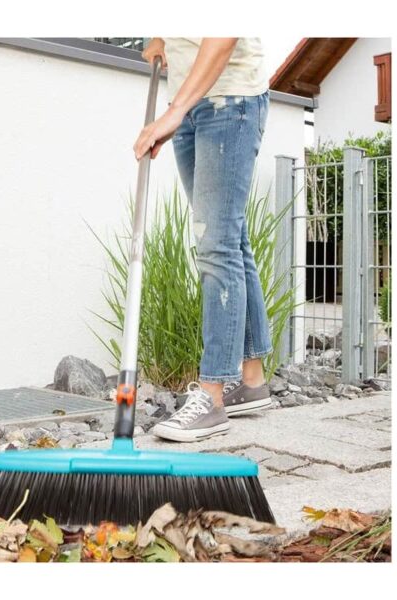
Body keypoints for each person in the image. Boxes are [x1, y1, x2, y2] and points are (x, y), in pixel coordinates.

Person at [134, 38, 273, 442]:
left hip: (230, 100)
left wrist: (174, 111)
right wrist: (162, 38)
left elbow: (223, 35)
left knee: (216, 246)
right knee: (232, 240)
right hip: (191, 102)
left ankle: (212, 397)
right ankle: (251, 380)